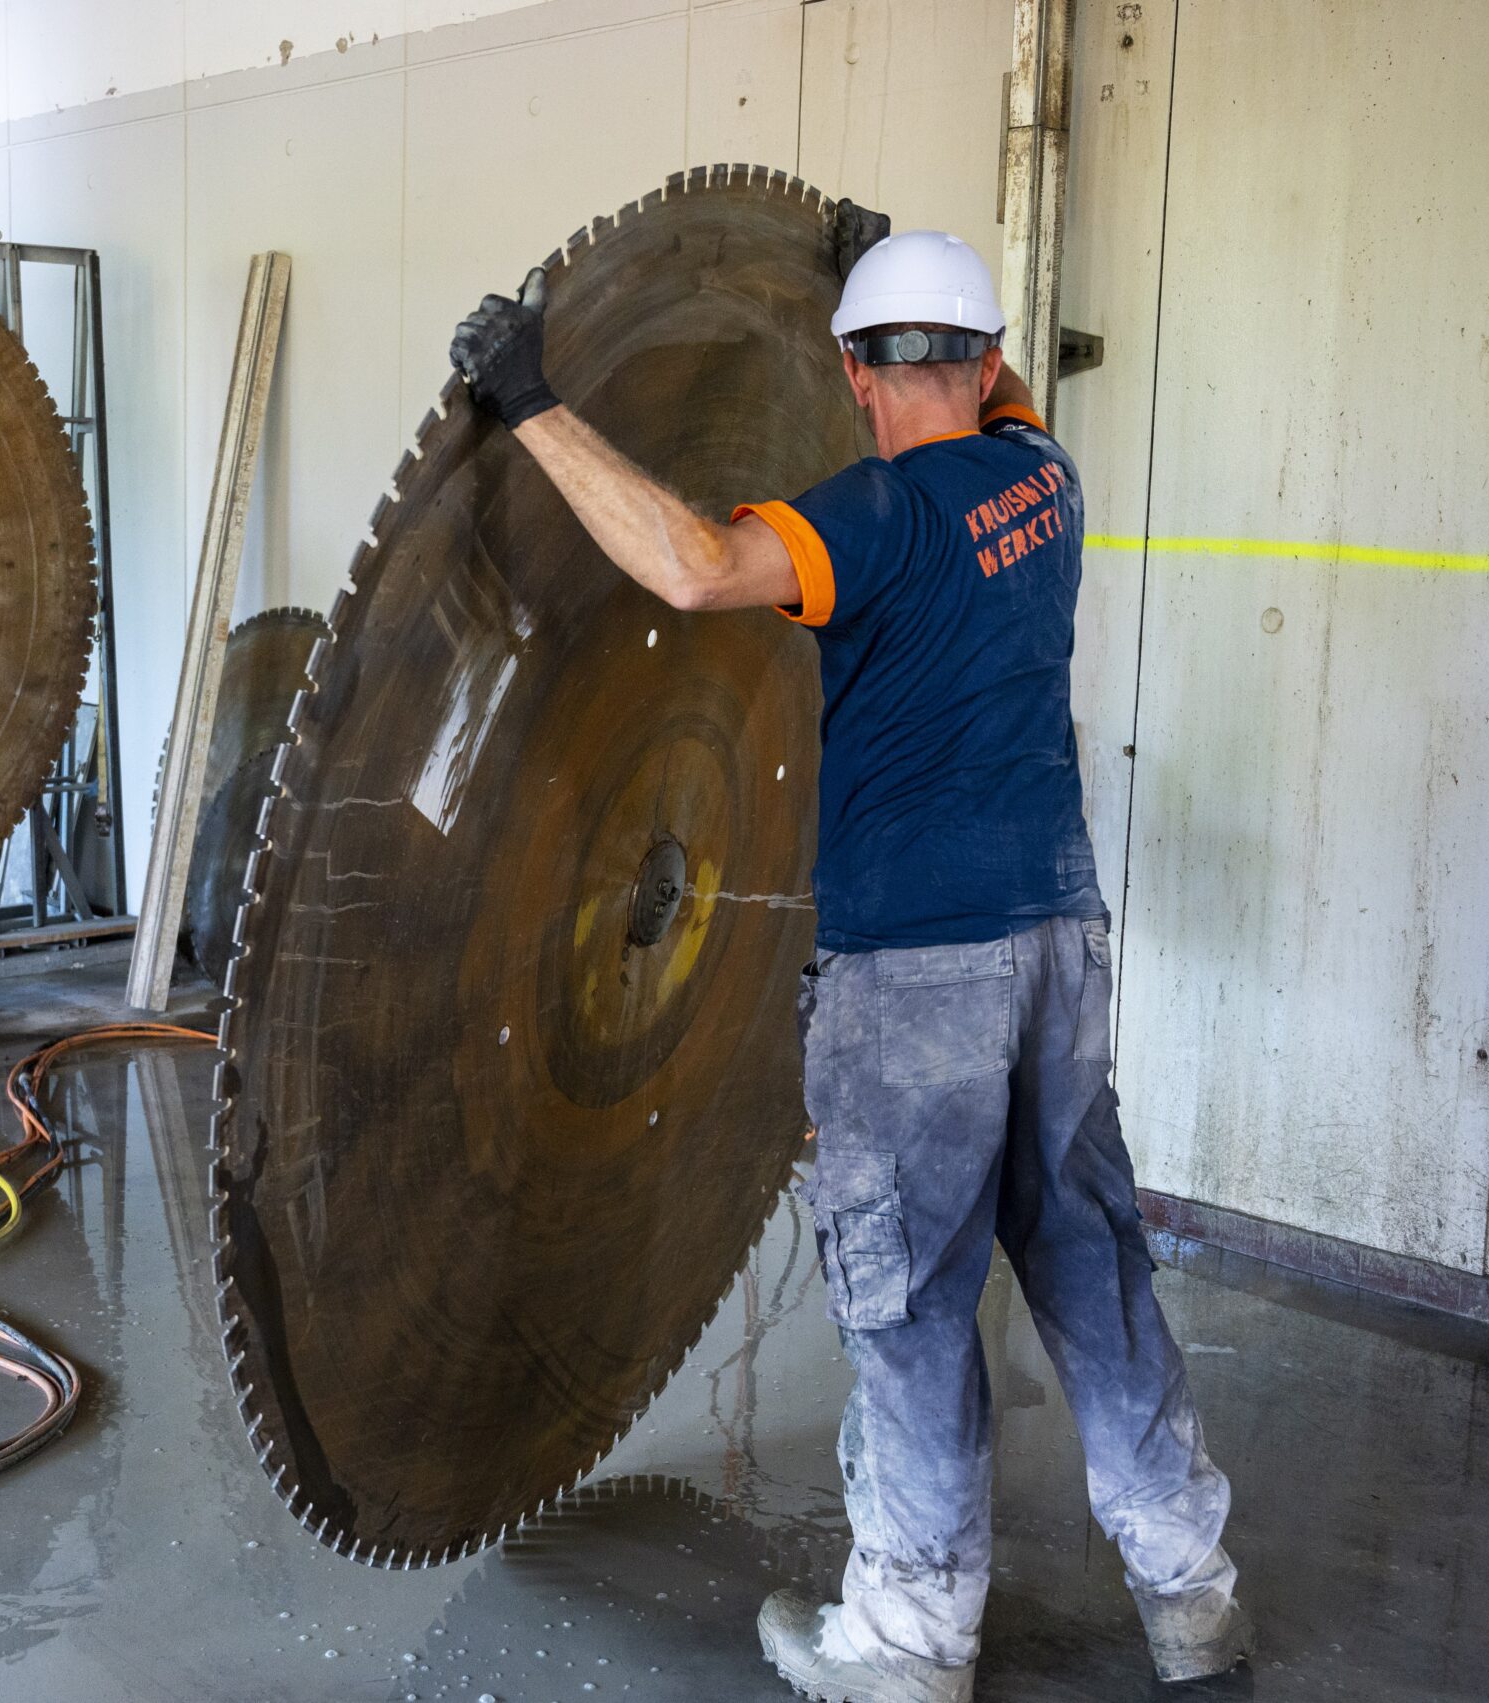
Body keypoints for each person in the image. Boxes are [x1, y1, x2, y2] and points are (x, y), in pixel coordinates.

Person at [450, 223, 1252, 1701]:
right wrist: (900, 294)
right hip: (1060, 945)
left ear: (851, 372)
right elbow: (982, 392)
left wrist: (532, 400)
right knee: (1094, 1262)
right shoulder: (1046, 480)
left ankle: (908, 1635)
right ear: (995, 360)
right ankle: (1191, 1588)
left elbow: (694, 568)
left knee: (911, 1298)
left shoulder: (871, 517)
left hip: (918, 980)